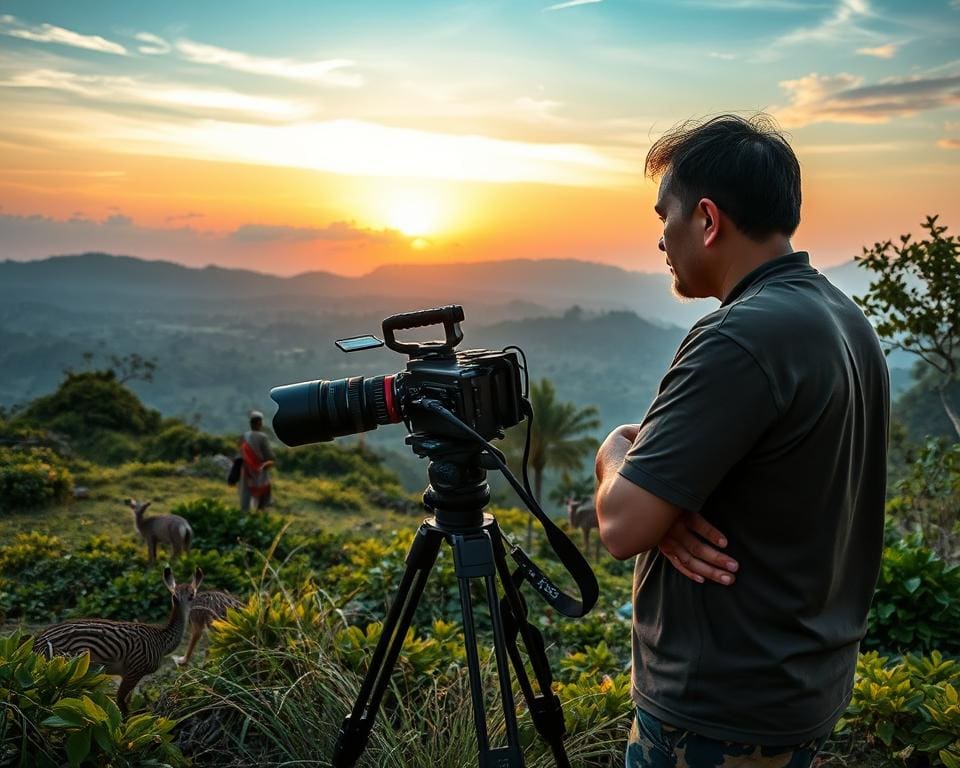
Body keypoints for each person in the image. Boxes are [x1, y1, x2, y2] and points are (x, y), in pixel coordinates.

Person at [594, 114, 889, 767]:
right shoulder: (842, 318)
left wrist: (616, 449)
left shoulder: (739, 338)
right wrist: (664, 503)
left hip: (716, 711)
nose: (661, 240)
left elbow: (620, 524)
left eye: (663, 216)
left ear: (706, 218)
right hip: (798, 688)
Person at [240, 410, 275, 512]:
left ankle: (244, 513)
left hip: (246, 469)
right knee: (264, 490)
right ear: (259, 423)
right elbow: (269, 455)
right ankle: (260, 511)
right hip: (259, 469)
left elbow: (240, 452)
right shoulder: (262, 437)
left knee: (246, 492)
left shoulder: (244, 436)